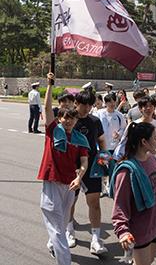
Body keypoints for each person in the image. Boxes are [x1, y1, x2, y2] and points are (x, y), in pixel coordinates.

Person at [37, 73, 89, 265]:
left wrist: (79, 177)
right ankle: (64, 261)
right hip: (52, 183)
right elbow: (47, 107)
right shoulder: (53, 130)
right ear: (59, 118)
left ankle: (52, 244)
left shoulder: (79, 138)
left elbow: (84, 162)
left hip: (70, 186)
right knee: (59, 229)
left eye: (71, 118)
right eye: (64, 117)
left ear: (76, 120)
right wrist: (50, 85)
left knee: (61, 223)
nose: (68, 121)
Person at [111, 122, 156, 265]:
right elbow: (120, 205)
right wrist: (123, 231)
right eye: (154, 138)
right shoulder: (126, 171)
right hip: (140, 230)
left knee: (148, 261)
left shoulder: (151, 158)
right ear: (144, 142)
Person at [68, 89, 108, 254]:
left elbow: (102, 140)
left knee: (94, 202)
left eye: (90, 105)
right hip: (72, 166)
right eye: (83, 104)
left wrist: (104, 161)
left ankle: (95, 239)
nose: (87, 108)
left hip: (91, 167)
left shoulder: (95, 121)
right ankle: (69, 231)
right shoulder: (69, 120)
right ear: (76, 103)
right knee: (70, 201)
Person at [113, 96, 156, 163]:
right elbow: (125, 143)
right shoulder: (133, 125)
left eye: (151, 106)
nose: (148, 108)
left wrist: (155, 150)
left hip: (151, 161)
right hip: (135, 161)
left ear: (154, 108)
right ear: (140, 109)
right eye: (145, 106)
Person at [97, 93, 127, 196]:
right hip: (102, 146)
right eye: (109, 101)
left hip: (114, 147)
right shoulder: (99, 113)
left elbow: (124, 127)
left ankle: (110, 186)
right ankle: (101, 187)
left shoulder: (119, 115)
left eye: (114, 101)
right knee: (102, 167)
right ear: (105, 103)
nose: (112, 103)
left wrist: (119, 134)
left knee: (112, 167)